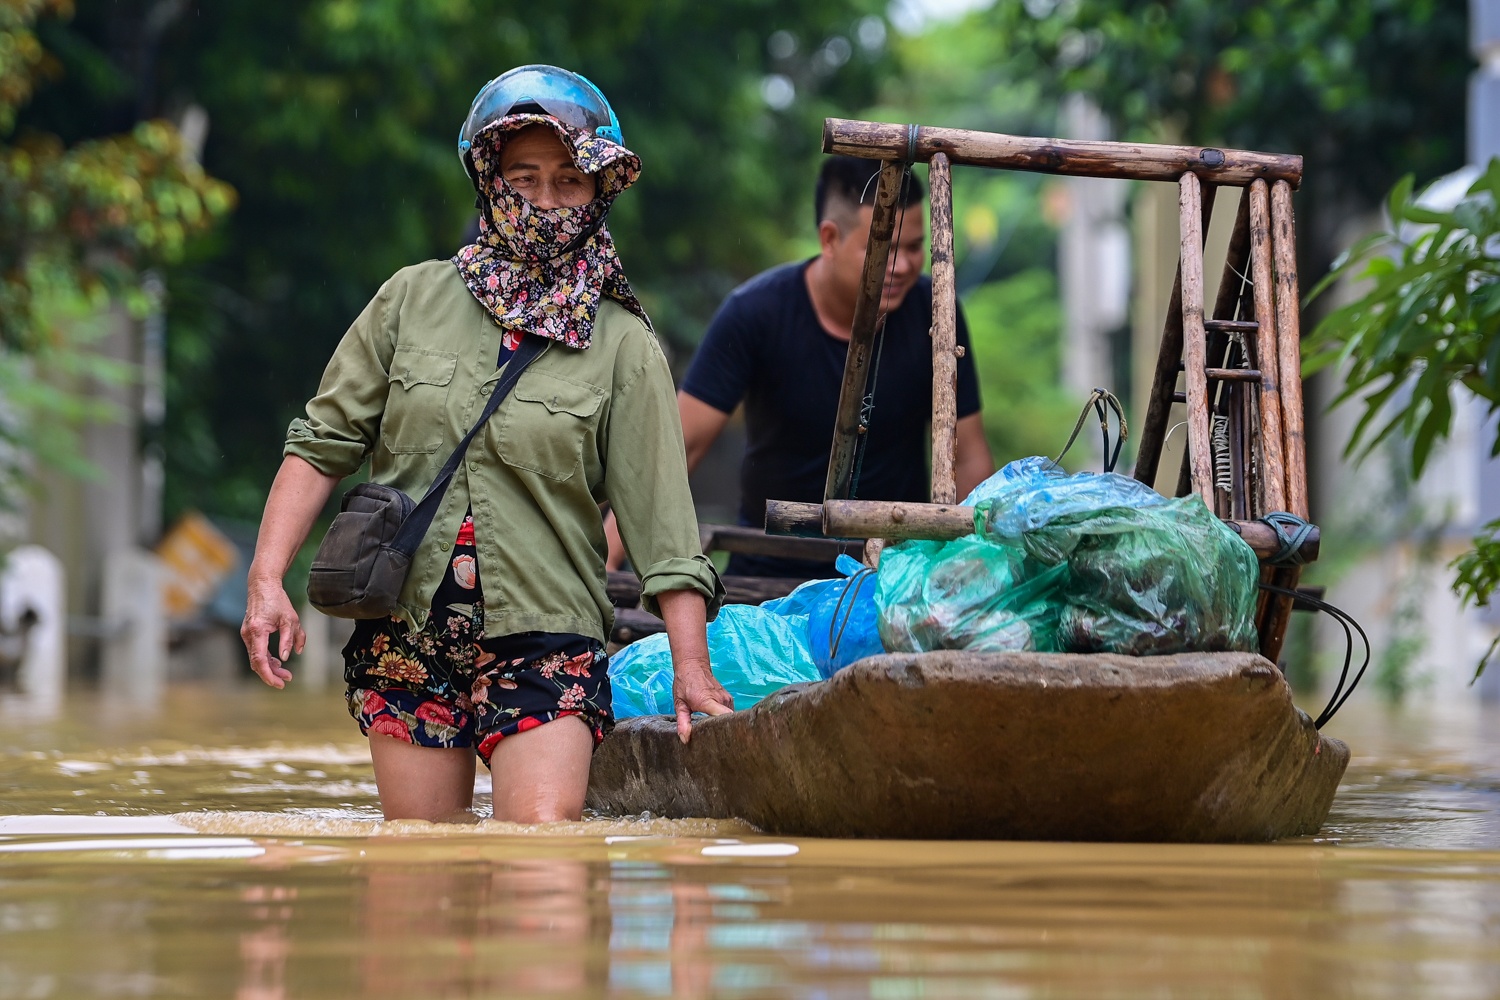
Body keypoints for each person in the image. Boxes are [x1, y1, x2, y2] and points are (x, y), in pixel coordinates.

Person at [239, 65, 731, 825]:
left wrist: (690, 671)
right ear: (488, 179)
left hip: (547, 633)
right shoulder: (409, 300)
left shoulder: (624, 343)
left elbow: (663, 525)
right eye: (524, 177)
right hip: (406, 630)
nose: (545, 201)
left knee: (544, 875)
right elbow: (322, 443)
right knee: (417, 877)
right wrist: (266, 580)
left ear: (600, 190)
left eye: (570, 180)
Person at [606, 156, 994, 579]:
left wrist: (974, 565)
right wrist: (607, 557)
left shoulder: (935, 313)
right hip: (766, 575)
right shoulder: (754, 313)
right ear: (829, 238)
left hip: (892, 575)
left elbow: (969, 456)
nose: (902, 266)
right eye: (885, 248)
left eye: (916, 247)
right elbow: (679, 448)